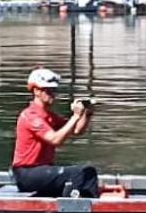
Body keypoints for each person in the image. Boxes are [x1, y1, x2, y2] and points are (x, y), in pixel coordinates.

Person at [11, 68, 99, 198]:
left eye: (54, 90)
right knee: (77, 173)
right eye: (48, 90)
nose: (53, 94)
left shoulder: (49, 116)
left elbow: (76, 130)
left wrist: (87, 114)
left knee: (89, 172)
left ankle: (92, 205)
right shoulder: (30, 116)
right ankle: (73, 208)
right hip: (26, 174)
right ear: (36, 91)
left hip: (43, 170)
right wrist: (75, 116)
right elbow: (55, 140)